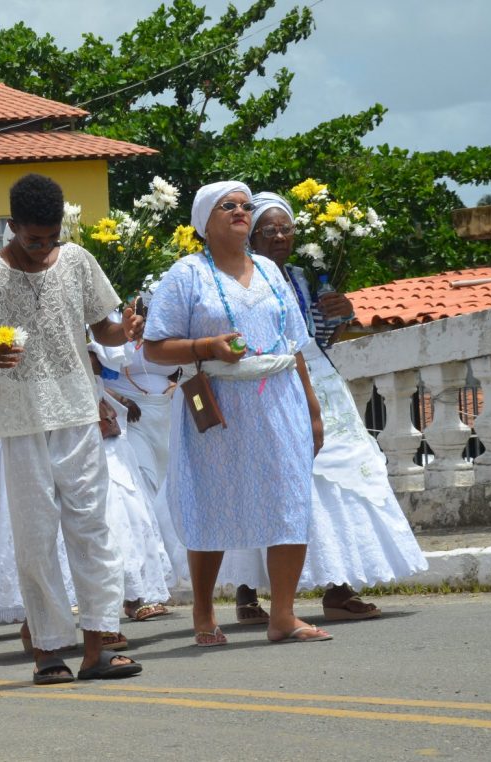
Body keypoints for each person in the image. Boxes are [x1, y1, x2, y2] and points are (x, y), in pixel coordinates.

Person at [0, 173, 144, 684]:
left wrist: (126, 328)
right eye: (32, 238)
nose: (43, 248)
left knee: (92, 529)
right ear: (10, 227)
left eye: (51, 237)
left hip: (78, 412)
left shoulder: (78, 262)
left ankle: (99, 644)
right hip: (20, 421)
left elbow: (105, 329)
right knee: (35, 538)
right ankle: (49, 649)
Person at [221, 192, 427, 622]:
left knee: (345, 470)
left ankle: (338, 584)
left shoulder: (304, 277)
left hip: (321, 381)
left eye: (286, 229)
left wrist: (343, 311)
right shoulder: (237, 278)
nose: (279, 237)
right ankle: (247, 592)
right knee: (267, 477)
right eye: (269, 230)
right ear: (251, 236)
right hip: (268, 382)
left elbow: (326, 335)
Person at [143, 180, 329, 647]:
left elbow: (294, 346)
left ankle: (283, 615)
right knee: (213, 501)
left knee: (290, 499)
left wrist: (312, 410)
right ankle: (204, 611)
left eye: (246, 206)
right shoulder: (186, 275)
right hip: (220, 404)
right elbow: (153, 348)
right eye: (229, 206)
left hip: (280, 397)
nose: (241, 212)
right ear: (204, 221)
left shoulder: (268, 270)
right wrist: (205, 346)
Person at [88, 344, 174, 621]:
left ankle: (137, 593)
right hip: (76, 412)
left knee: (128, 504)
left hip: (104, 415)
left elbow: (99, 369)